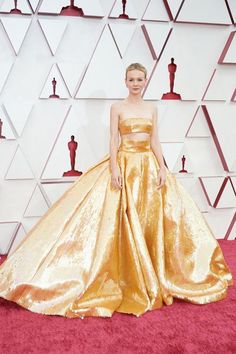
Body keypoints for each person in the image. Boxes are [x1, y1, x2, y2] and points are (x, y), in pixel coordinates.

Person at [0, 63, 233, 319]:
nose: (136, 83)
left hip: (148, 167)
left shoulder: (152, 108)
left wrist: (163, 167)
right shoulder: (117, 108)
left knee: (151, 219)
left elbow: (155, 139)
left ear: (145, 81)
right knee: (118, 220)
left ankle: (154, 270)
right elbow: (113, 138)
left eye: (140, 79)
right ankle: (124, 274)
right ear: (125, 81)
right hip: (125, 166)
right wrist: (114, 168)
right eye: (132, 79)